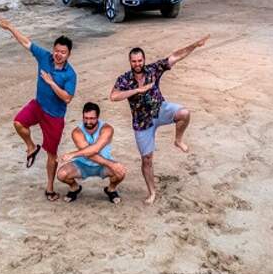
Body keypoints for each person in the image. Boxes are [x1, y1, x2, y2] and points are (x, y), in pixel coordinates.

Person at [109, 36, 209, 205]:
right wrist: (136, 90)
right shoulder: (124, 79)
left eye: (140, 60)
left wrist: (195, 45)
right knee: (147, 159)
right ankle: (152, 192)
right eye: (134, 61)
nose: (137, 64)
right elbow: (113, 96)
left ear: (144, 60)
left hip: (160, 110)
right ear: (130, 62)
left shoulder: (153, 69)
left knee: (184, 113)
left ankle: (178, 140)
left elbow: (175, 56)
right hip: (142, 122)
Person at [0, 18, 77, 201]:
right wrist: (10, 27)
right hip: (38, 105)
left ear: (68, 54)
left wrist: (50, 82)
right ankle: (31, 146)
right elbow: (26, 42)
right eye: (56, 50)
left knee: (51, 155)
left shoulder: (70, 74)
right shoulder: (44, 56)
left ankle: (49, 188)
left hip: (55, 116)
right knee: (18, 123)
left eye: (63, 52)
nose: (58, 54)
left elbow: (67, 98)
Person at [57, 102, 126, 204]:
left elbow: (95, 150)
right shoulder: (77, 132)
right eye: (86, 118)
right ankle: (74, 187)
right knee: (61, 175)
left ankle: (111, 189)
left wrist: (73, 154)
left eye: (92, 118)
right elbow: (89, 154)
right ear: (83, 116)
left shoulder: (107, 129)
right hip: (82, 165)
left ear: (98, 117)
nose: (88, 121)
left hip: (103, 165)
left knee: (121, 172)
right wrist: (112, 164)